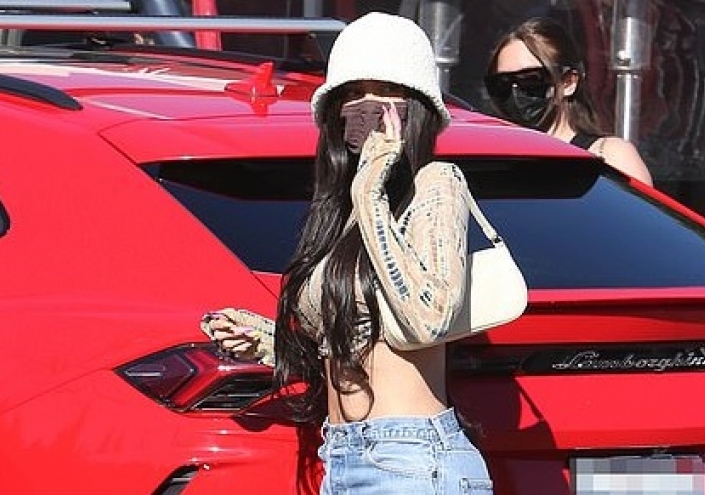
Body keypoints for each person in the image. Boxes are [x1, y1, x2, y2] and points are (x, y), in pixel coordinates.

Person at [201, 12, 494, 495]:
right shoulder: (339, 212)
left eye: (386, 92)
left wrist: (371, 193)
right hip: (342, 457)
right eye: (353, 94)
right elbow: (349, 350)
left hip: (411, 460)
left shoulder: (435, 184)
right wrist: (266, 341)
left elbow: (431, 317)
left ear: (417, 108)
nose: (367, 108)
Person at [484, 16, 653, 186]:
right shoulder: (490, 161)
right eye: (502, 83)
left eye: (531, 79)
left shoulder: (609, 155)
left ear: (568, 83)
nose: (515, 92)